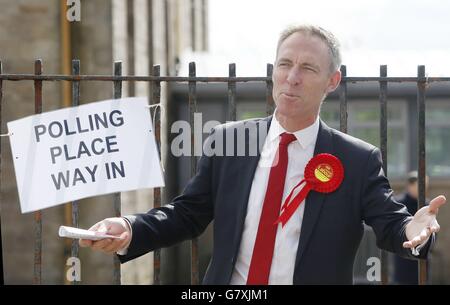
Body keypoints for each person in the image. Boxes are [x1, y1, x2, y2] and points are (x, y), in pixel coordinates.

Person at [80, 25, 446, 284]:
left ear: (332, 82)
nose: (292, 78)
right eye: (285, 64)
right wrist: (130, 227)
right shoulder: (228, 140)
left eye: (308, 68)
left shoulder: (357, 160)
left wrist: (415, 228)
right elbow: (187, 214)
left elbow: (391, 223)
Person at [392, 171, 431, 284]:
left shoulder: (427, 204)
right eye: (421, 184)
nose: (425, 187)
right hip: (404, 254)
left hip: (423, 252)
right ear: (410, 185)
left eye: (426, 183)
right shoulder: (399, 203)